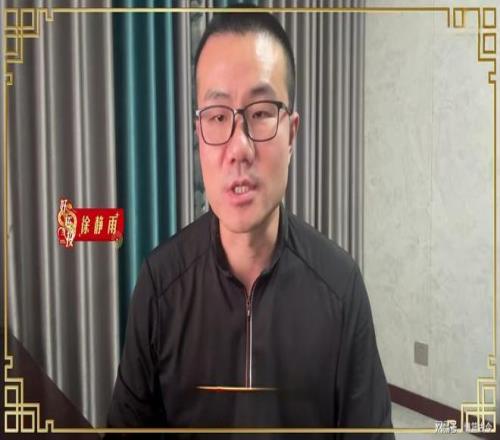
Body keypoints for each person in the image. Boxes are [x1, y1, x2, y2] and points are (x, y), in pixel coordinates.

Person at [107, 8, 394, 439]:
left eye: (260, 112)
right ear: (199, 135)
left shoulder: (341, 287)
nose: (239, 148)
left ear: (292, 133)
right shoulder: (160, 284)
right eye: (218, 116)